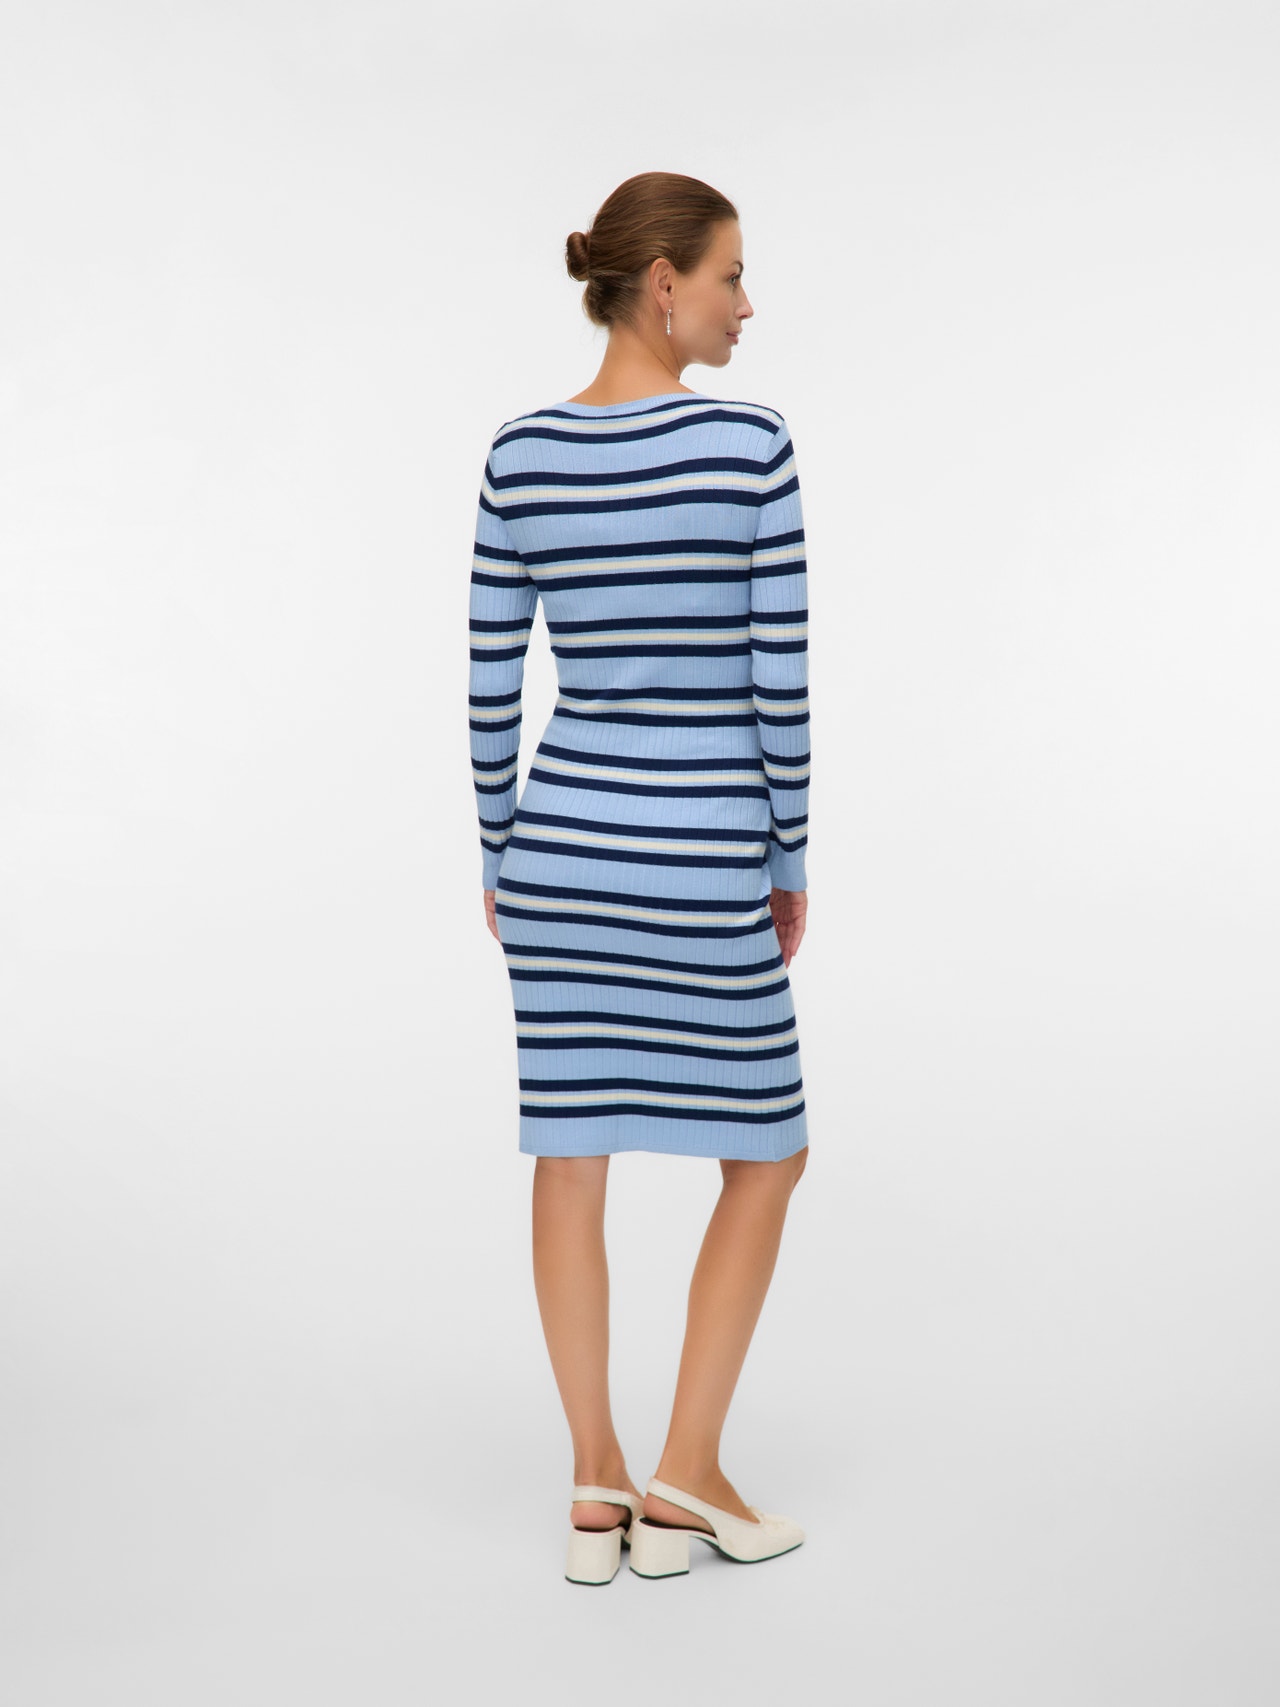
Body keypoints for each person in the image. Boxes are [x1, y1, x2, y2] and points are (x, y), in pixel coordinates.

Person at [466, 172, 811, 1583]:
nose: (747, 304)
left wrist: (502, 857)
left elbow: (491, 684)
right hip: (703, 855)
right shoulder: (750, 448)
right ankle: (689, 1473)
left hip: (561, 854)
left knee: (569, 1154)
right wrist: (788, 858)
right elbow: (779, 687)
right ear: (662, 283)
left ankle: (595, 1481)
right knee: (768, 1151)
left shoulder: (520, 455)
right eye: (731, 275)